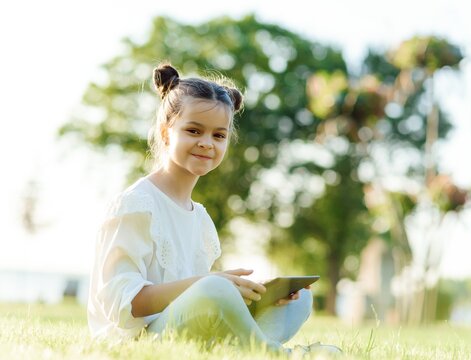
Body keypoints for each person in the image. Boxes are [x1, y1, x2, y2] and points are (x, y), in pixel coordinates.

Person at [87, 63, 341, 355]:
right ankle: (277, 355)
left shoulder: (200, 217)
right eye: (194, 130)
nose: (207, 143)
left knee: (299, 299)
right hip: (138, 344)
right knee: (214, 288)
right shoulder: (136, 204)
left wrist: (253, 293)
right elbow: (125, 304)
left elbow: (201, 303)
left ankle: (250, 349)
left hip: (187, 331)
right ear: (166, 132)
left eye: (219, 135)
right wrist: (211, 284)